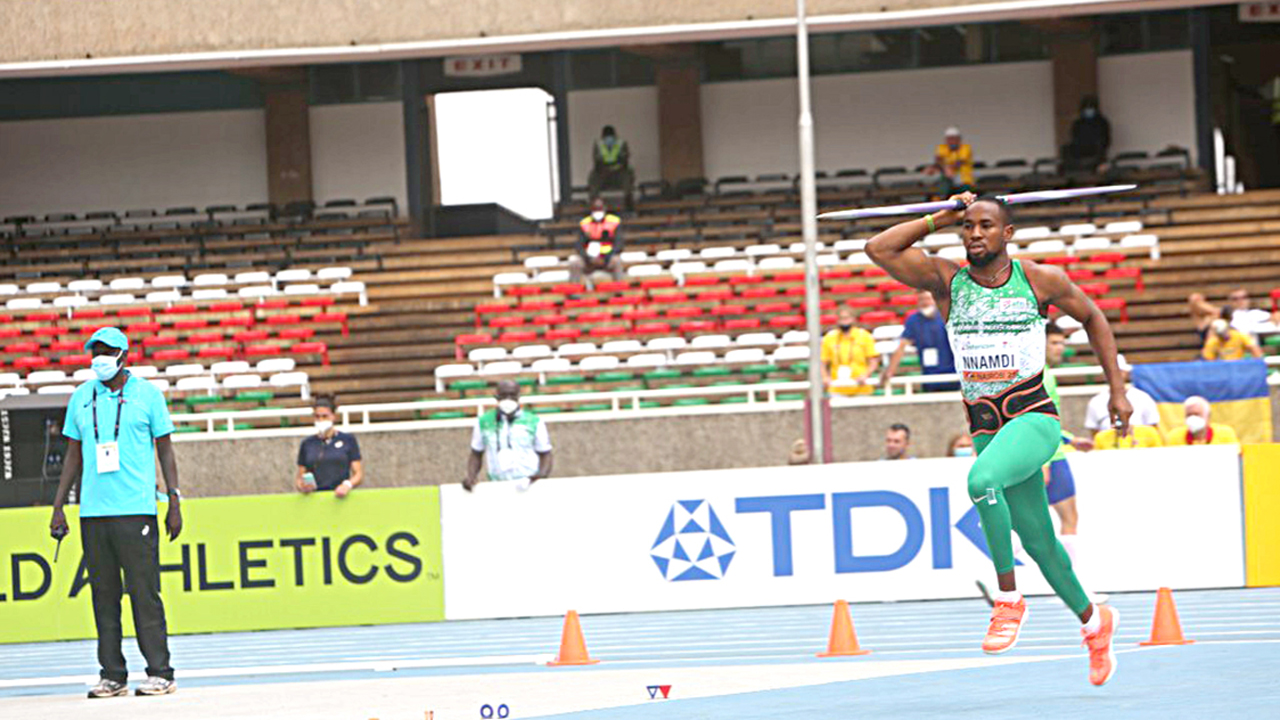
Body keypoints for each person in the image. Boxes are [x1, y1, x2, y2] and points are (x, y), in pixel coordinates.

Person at [866, 191, 1129, 686]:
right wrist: (938, 217)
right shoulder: (947, 281)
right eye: (967, 226)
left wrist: (1117, 391)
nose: (974, 233)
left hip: (1033, 418)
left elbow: (1094, 317)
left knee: (981, 481)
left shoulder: (1039, 279)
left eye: (985, 225)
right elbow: (879, 249)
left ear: (1007, 233)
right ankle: (1095, 623)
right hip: (986, 427)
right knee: (1040, 542)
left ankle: (1008, 599)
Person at [48, 327, 181, 698]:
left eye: (106, 351)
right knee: (103, 596)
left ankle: (160, 672)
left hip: (136, 509)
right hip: (93, 512)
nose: (99, 358)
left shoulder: (148, 395)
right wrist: (59, 506)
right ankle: (112, 675)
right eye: (95, 352)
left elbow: (165, 449)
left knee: (144, 593)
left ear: (124, 355)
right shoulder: (81, 397)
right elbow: (73, 454)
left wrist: (174, 499)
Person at [465, 380, 553, 491]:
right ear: (496, 397)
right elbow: (476, 453)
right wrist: (471, 476)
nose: (508, 399)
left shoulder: (534, 421)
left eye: (512, 395)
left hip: (528, 485)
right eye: (503, 395)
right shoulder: (483, 422)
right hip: (497, 485)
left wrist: (540, 477)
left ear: (519, 396)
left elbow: (545, 454)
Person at [881, 290, 958, 392]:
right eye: (921, 299)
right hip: (929, 375)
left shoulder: (947, 316)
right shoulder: (913, 320)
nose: (925, 302)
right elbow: (902, 346)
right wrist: (890, 370)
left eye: (928, 299)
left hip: (953, 373)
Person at [295, 395, 363, 497]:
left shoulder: (348, 440)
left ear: (333, 416)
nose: (321, 420)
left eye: (325, 416)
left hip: (340, 496)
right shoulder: (307, 444)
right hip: (315, 497)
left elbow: (358, 474)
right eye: (317, 417)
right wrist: (303, 486)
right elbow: (299, 477)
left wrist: (347, 485)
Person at [1083, 354, 1160, 435]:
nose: (1116, 376)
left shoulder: (1143, 398)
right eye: (1110, 373)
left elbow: (1153, 429)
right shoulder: (1096, 401)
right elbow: (1094, 433)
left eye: (1119, 372)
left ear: (1126, 372)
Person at [820, 306, 879, 396]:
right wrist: (825, 377)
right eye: (841, 318)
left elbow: (873, 360)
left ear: (853, 319)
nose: (844, 322)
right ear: (837, 320)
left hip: (861, 387)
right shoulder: (829, 338)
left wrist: (866, 375)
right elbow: (822, 362)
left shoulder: (864, 336)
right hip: (837, 388)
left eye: (847, 318)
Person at [568, 197, 624, 287]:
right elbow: (579, 246)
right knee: (575, 263)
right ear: (591, 210)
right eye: (595, 209)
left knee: (617, 261)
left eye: (600, 209)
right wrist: (588, 258)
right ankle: (574, 292)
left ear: (604, 208)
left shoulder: (614, 222)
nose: (598, 212)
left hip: (608, 259)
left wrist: (606, 257)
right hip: (588, 260)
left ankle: (619, 291)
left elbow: (619, 244)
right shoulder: (584, 223)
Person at [587, 125, 634, 210]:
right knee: (593, 177)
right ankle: (594, 201)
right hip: (603, 172)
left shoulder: (621, 144)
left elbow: (625, 161)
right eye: (607, 136)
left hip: (619, 171)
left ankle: (628, 201)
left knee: (628, 175)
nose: (609, 139)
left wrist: (616, 167)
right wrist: (605, 169)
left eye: (610, 136)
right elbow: (596, 162)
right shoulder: (598, 144)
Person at [1061, 96, 1111, 175]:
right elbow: (1074, 137)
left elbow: (1106, 140)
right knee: (1066, 150)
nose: (1089, 110)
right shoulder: (1078, 123)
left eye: (1091, 107)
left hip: (1096, 151)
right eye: (1087, 108)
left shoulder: (1101, 122)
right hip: (1080, 150)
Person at [1164, 395, 1239, 446]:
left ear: (1208, 416)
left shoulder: (1226, 434)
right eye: (1189, 415)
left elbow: (1236, 459)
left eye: (1197, 414)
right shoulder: (1173, 437)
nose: (1192, 418)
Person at [925, 127, 973, 198]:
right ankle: (940, 199)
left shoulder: (965, 148)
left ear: (959, 139)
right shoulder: (942, 148)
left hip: (964, 181)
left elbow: (960, 162)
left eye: (954, 139)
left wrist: (948, 168)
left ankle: (941, 198)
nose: (951, 141)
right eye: (949, 139)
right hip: (948, 179)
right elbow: (939, 160)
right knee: (941, 182)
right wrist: (940, 168)